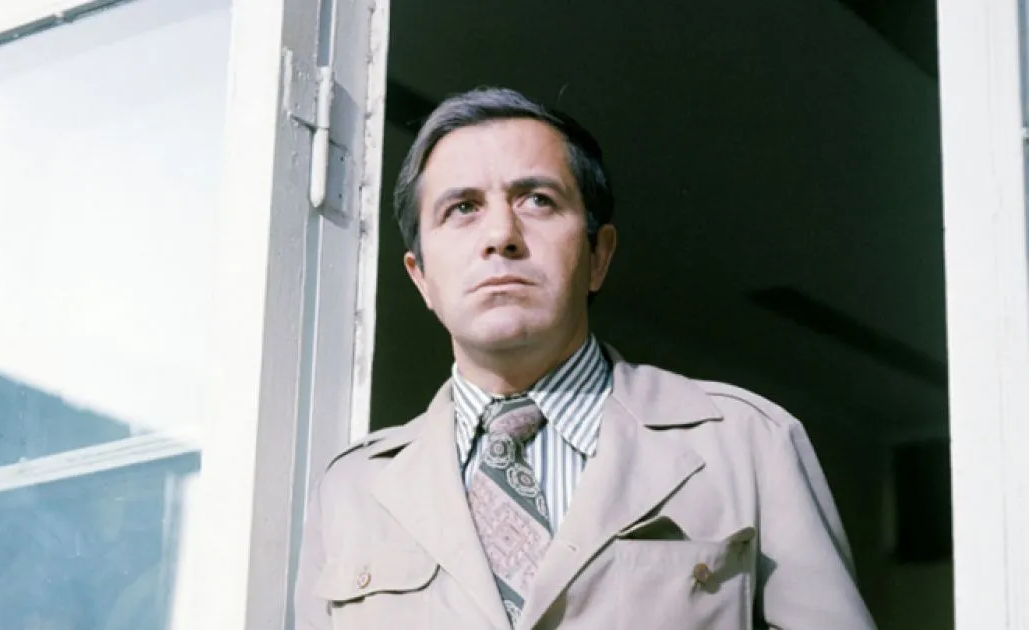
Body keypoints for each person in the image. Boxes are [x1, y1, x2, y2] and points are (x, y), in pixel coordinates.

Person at [294, 86, 875, 629]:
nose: (501, 235)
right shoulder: (351, 490)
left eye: (537, 200)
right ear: (420, 278)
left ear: (599, 255)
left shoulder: (746, 444)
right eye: (463, 208)